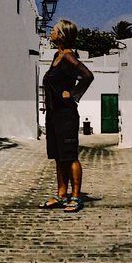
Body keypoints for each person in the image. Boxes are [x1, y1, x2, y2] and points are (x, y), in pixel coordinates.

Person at [42, 19, 94, 213]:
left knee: (70, 155)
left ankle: (75, 196)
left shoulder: (69, 57)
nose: (51, 32)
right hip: (54, 114)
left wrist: (72, 93)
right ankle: (61, 195)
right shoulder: (58, 55)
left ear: (62, 35)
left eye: (54, 30)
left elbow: (88, 75)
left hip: (66, 114)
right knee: (58, 156)